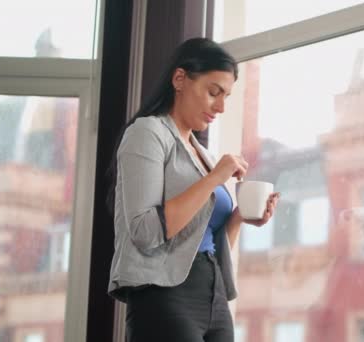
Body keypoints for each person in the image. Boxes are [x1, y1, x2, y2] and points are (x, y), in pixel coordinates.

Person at [106, 37, 279, 342]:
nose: (221, 107)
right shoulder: (147, 133)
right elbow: (145, 231)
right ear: (180, 79)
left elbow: (205, 240)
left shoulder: (201, 153)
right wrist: (214, 179)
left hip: (213, 294)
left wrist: (240, 217)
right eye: (214, 92)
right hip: (164, 296)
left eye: (226, 96)